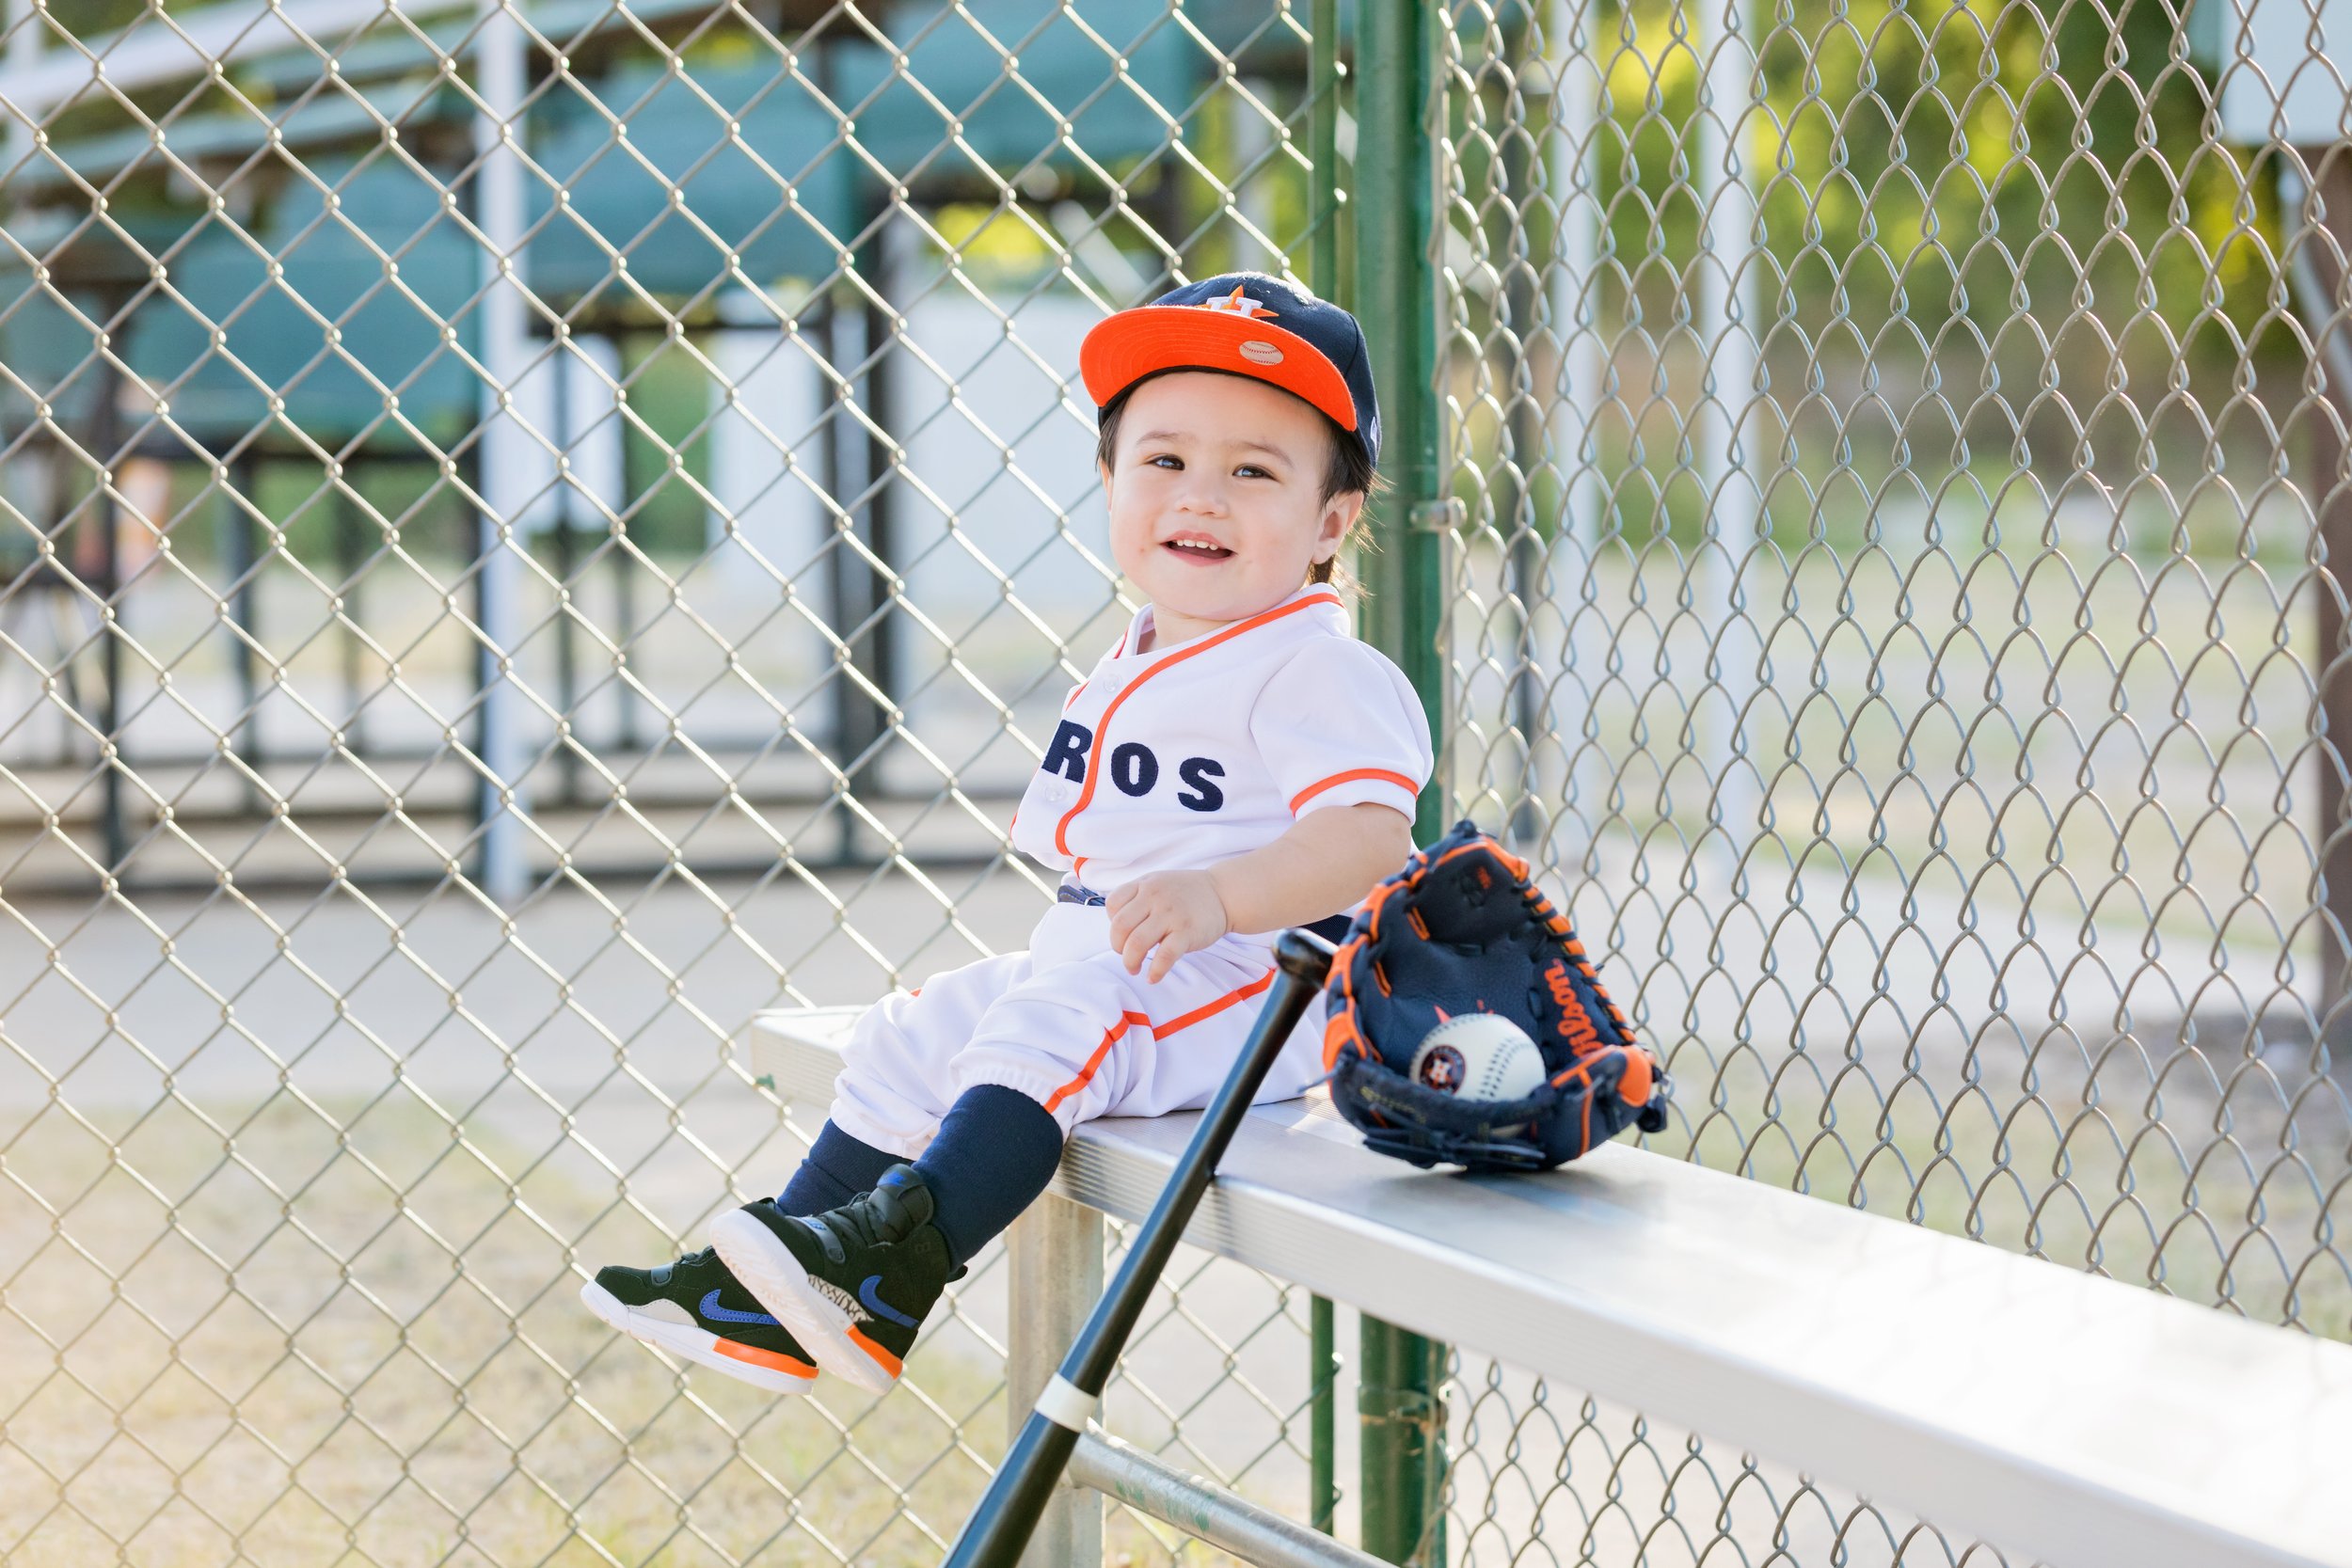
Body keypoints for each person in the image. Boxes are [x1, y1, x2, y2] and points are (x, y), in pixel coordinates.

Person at [581, 272, 1432, 1396]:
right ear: (1111, 481)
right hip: (1127, 964)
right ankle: (779, 1280)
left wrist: (1220, 895)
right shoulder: (1152, 646)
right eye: (1165, 460)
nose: (1202, 497)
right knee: (910, 1033)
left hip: (1258, 982)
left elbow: (1369, 837)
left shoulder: (1315, 664)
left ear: (1331, 520)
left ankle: (895, 1276)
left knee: (1054, 1016)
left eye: (1254, 471)